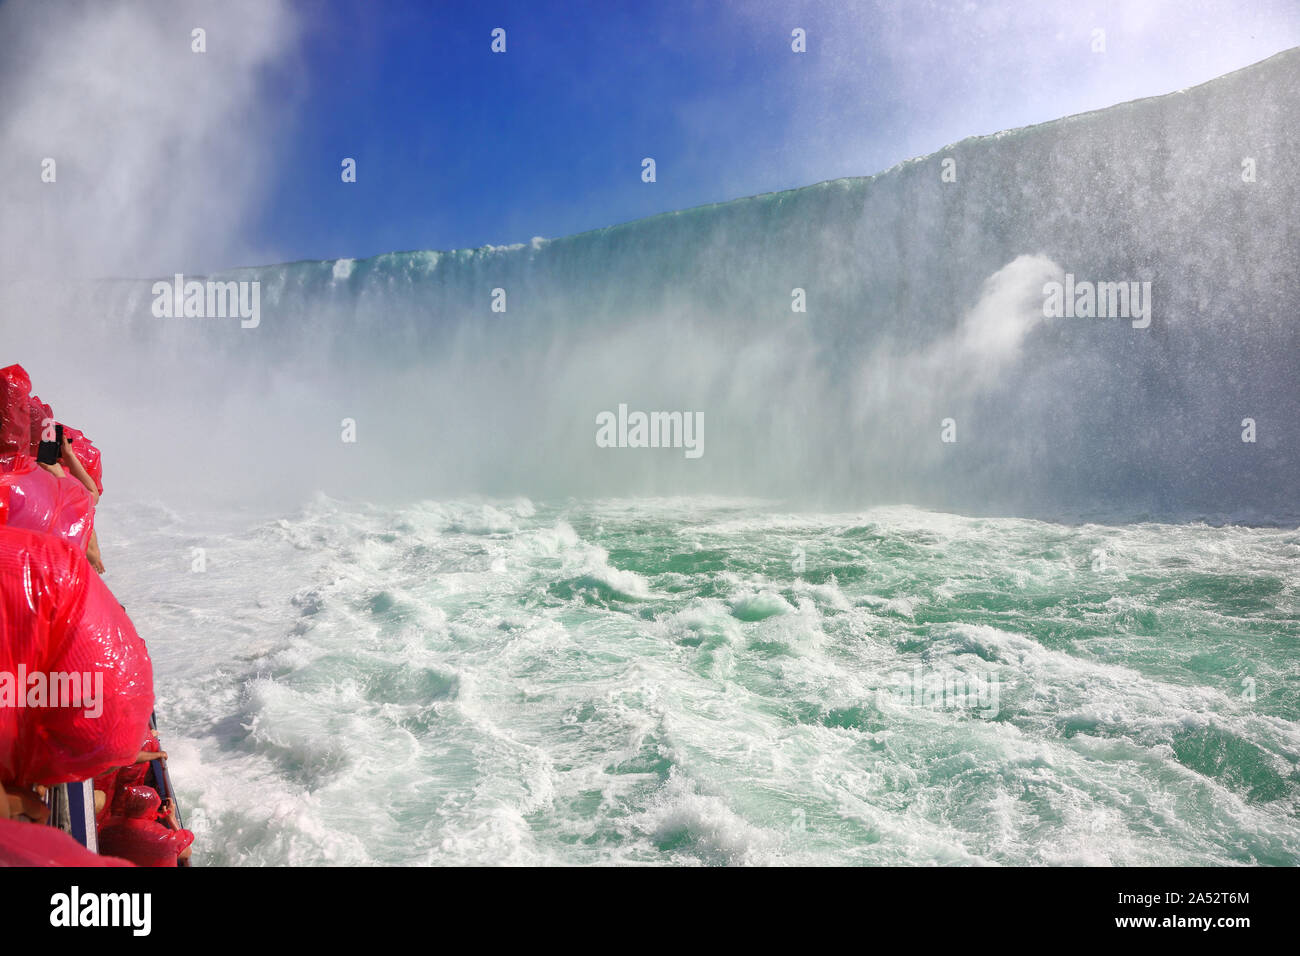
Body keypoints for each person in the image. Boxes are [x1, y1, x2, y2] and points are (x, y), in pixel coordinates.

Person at [97, 785, 193, 867]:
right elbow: (187, 851)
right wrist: (172, 819)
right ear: (150, 810)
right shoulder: (164, 840)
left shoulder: (108, 824)